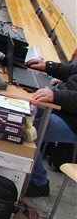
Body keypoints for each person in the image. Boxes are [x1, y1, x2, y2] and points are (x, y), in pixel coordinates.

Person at [24, 56, 77, 197]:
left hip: (72, 122)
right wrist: (48, 66)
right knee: (21, 112)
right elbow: (73, 70)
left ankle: (39, 183)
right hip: (65, 107)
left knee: (27, 133)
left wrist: (56, 95)